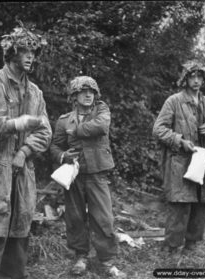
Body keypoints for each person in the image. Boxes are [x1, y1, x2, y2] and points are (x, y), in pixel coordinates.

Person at [0, 22, 52, 279]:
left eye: (34, 53)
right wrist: (15, 124)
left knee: (17, 246)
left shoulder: (35, 93)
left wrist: (24, 152)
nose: (30, 57)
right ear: (12, 52)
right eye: (25, 50)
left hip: (22, 178)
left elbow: (45, 132)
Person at [153, 60, 205, 254]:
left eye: (200, 77)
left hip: (204, 162)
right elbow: (158, 129)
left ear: (204, 79)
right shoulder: (174, 101)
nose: (196, 80)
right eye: (192, 76)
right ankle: (171, 247)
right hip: (180, 161)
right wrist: (179, 140)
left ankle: (191, 245)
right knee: (179, 204)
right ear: (185, 79)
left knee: (202, 203)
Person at [50, 76, 126, 278]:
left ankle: (107, 261)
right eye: (82, 92)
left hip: (97, 173)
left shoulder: (101, 110)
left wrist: (75, 130)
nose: (87, 95)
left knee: (103, 218)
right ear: (74, 96)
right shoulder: (64, 120)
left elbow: (101, 127)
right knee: (75, 218)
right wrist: (63, 155)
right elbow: (55, 145)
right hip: (74, 175)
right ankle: (80, 257)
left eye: (91, 92)